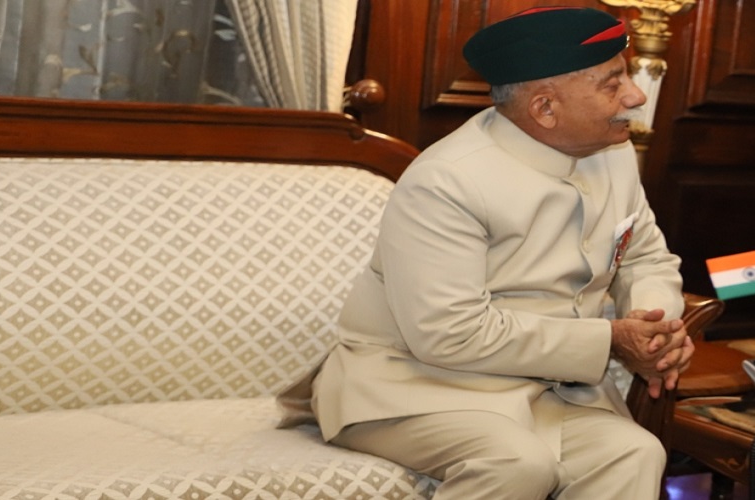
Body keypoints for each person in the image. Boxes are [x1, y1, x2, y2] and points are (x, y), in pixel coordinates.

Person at [286, 7, 692, 500]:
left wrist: (655, 332)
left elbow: (646, 258)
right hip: (416, 386)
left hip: (545, 391)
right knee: (517, 463)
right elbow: (449, 333)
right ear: (545, 108)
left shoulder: (614, 153)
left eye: (624, 74)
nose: (635, 95)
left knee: (636, 451)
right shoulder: (447, 180)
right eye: (612, 83)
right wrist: (609, 340)